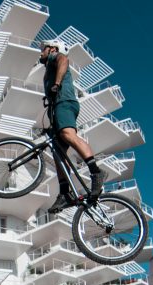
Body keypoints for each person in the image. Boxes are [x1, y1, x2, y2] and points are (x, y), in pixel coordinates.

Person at [39, 39, 105, 213]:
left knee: (67, 133)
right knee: (58, 152)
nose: (41, 51)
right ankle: (65, 193)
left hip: (64, 102)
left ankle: (96, 172)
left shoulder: (56, 57)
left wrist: (56, 85)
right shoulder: (48, 68)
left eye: (44, 48)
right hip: (56, 108)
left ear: (52, 49)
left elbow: (64, 60)